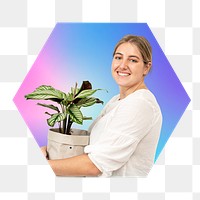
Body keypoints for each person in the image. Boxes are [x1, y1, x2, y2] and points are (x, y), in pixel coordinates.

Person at [41, 34, 162, 177]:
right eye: (118, 57)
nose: (122, 65)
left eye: (133, 60)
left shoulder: (140, 104)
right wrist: (49, 150)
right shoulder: (117, 101)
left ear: (146, 68)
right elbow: (93, 147)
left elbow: (95, 166)